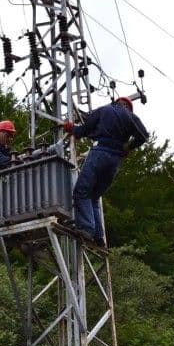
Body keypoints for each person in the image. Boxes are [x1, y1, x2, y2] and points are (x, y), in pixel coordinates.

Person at [63, 97, 148, 246]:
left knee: (82, 191)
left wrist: (72, 129)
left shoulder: (105, 109)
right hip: (115, 160)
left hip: (100, 152)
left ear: (116, 102)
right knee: (94, 196)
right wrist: (128, 147)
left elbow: (84, 130)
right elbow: (143, 136)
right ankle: (98, 237)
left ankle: (87, 229)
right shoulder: (131, 117)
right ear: (128, 107)